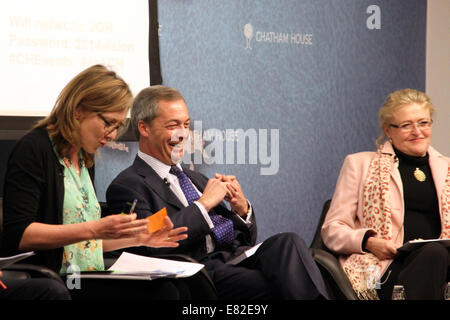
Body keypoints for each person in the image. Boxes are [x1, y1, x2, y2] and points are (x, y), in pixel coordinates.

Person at [105, 85, 329, 300]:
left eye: (186, 124)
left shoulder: (195, 179)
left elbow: (245, 238)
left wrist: (242, 209)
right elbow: (148, 238)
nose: (183, 134)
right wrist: (202, 205)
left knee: (288, 242)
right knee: (286, 283)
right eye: (173, 125)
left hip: (236, 258)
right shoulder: (128, 185)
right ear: (144, 128)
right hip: (198, 271)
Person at [0, 65, 189, 300]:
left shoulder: (85, 158)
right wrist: (94, 228)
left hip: (86, 275)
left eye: (118, 126)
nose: (111, 134)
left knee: (167, 289)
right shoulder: (35, 149)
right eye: (108, 122)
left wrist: (138, 238)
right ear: (78, 110)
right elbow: (20, 234)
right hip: (56, 277)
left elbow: (86, 245)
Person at [321, 88, 450, 300]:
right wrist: (368, 242)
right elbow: (332, 229)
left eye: (423, 123)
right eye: (406, 125)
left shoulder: (447, 168)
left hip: (442, 263)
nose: (417, 132)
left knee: (438, 253)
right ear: (388, 130)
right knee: (434, 253)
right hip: (386, 267)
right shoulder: (359, 164)